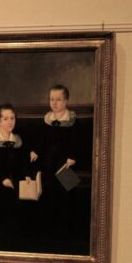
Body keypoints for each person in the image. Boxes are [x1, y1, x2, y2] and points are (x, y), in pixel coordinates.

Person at [31, 84, 78, 231]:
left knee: (66, 189)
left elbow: (77, 142)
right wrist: (36, 151)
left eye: (58, 100)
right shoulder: (47, 120)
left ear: (66, 101)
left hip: (65, 162)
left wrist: (73, 156)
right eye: (52, 99)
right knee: (48, 188)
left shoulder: (72, 121)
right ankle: (48, 222)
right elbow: (41, 140)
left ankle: (66, 223)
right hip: (48, 160)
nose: (54, 103)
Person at [0, 104, 35, 232]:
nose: (10, 122)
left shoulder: (17, 139)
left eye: (12, 118)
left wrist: (27, 174)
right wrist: (3, 178)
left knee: (23, 196)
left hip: (15, 175)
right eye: (6, 119)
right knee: (4, 195)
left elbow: (23, 161)